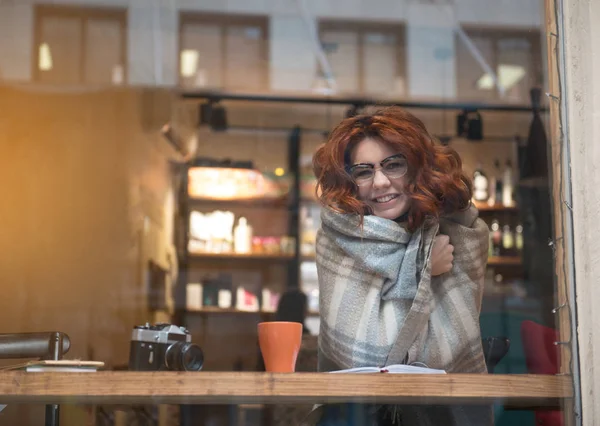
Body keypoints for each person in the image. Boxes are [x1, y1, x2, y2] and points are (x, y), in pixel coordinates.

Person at [309, 107, 491, 426]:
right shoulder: (336, 238)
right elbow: (361, 358)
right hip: (356, 416)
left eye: (393, 164)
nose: (379, 182)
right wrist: (423, 271)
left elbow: (450, 352)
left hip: (441, 416)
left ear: (418, 167)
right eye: (363, 171)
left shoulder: (457, 230)